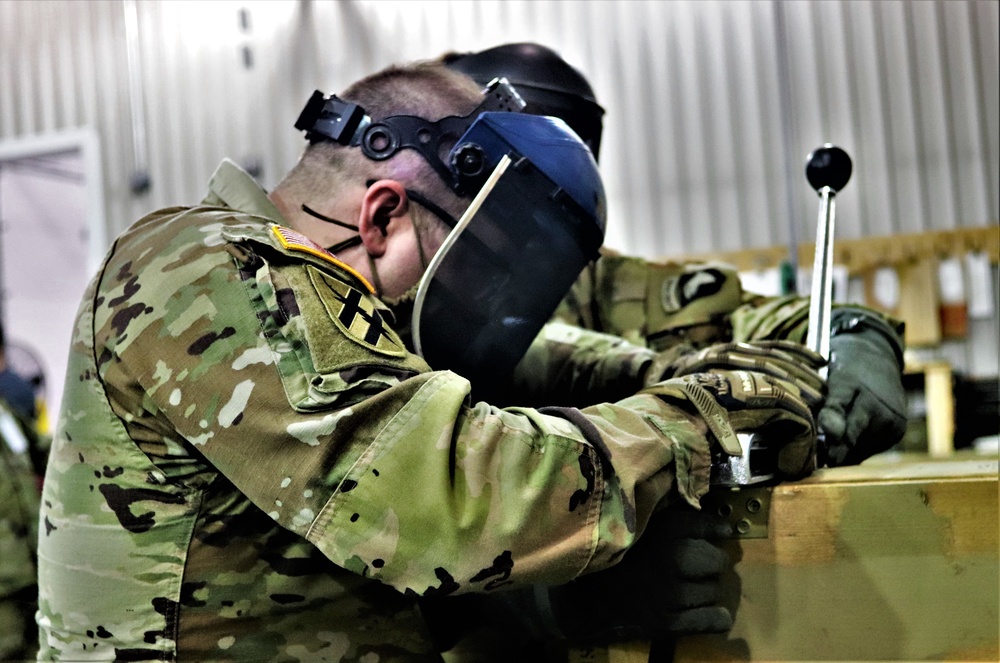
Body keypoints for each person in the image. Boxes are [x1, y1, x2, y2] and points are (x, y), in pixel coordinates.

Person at [37, 60, 824, 661]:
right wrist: (704, 416)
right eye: (471, 268)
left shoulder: (299, 300)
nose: (480, 311)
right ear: (381, 215)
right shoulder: (210, 266)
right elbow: (453, 498)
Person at [443, 42, 907, 469]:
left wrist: (856, 339)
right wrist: (658, 372)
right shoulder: (402, 293)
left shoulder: (619, 286)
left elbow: (771, 320)